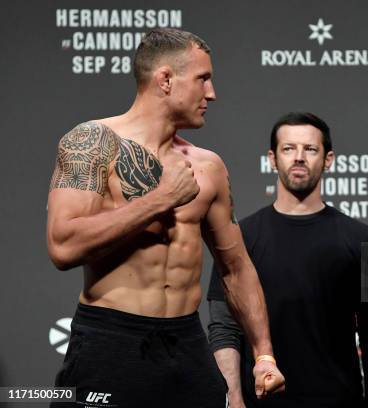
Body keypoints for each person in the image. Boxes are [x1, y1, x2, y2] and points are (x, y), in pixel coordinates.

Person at [47, 28, 284, 408]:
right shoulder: (91, 142)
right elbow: (63, 245)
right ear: (166, 80)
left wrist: (264, 355)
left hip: (185, 343)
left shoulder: (207, 167)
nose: (212, 93)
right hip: (110, 341)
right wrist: (159, 200)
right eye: (203, 79)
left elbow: (236, 268)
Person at [206, 112, 368, 408]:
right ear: (272, 158)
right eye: (289, 148)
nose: (299, 158)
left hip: (338, 400)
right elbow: (224, 327)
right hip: (260, 402)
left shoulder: (359, 236)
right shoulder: (243, 236)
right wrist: (235, 400)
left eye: (310, 149)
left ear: (328, 159)